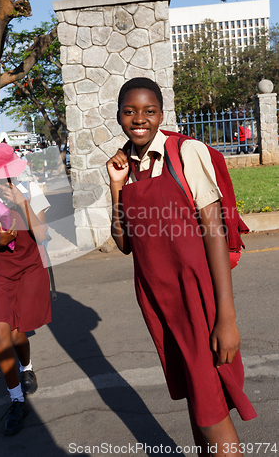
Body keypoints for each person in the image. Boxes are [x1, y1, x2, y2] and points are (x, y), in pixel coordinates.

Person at [106, 78, 256, 457]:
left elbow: (215, 233)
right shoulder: (126, 163)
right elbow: (125, 245)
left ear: (161, 114)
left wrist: (227, 318)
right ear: (119, 114)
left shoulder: (185, 152)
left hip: (197, 301)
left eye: (149, 111)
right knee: (196, 403)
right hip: (160, 303)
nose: (139, 119)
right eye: (130, 111)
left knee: (210, 414)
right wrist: (116, 188)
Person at [0, 143, 51, 435]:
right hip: (3, 274)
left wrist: (22, 203)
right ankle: (17, 400)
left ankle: (26, 366)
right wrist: (0, 242)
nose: (1, 179)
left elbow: (42, 235)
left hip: (31, 270)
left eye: (4, 173)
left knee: (19, 334)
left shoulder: (30, 189)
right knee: (0, 332)